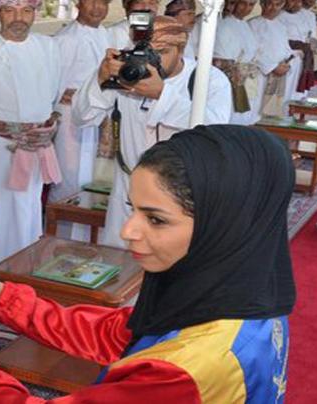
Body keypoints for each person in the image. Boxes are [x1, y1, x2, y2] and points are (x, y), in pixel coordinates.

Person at [0, 124, 296, 403]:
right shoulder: (239, 297)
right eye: (132, 209)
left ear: (222, 226)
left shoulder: (189, 369)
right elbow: (115, 333)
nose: (127, 231)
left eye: (155, 219)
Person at [72, 16, 231, 248]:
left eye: (162, 52)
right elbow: (81, 117)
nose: (152, 61)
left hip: (181, 196)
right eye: (146, 51)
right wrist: (100, 79)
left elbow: (216, 132)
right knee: (122, 269)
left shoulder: (209, 79)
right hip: (127, 192)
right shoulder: (128, 72)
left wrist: (161, 94)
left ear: (182, 49)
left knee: (173, 273)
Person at [0, 0, 65, 267]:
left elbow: (54, 95)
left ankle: (23, 275)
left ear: (35, 14)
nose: (19, 18)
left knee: (28, 212)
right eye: (10, 10)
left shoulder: (49, 47)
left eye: (26, 10)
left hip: (36, 145)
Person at [49, 0, 111, 241]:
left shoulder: (108, 35)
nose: (97, 8)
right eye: (91, 1)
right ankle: (61, 242)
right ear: (78, 3)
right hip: (70, 120)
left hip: (101, 119)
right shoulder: (64, 39)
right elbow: (53, 85)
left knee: (95, 181)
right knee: (70, 179)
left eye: (103, 2)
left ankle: (89, 242)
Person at [249, 0, 302, 117]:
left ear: (282, 5)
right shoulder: (253, 24)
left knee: (275, 112)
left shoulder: (281, 26)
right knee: (256, 112)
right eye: (269, 4)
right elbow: (252, 52)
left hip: (280, 75)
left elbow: (285, 50)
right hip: (260, 75)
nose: (273, 8)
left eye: (278, 4)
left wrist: (291, 60)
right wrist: (272, 67)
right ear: (262, 4)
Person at [214, 0, 262, 125]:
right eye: (243, 3)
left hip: (248, 77)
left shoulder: (245, 25)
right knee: (230, 117)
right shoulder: (223, 24)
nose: (246, 8)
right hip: (230, 78)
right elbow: (220, 57)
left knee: (245, 118)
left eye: (251, 5)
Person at [276, 0, 317, 99]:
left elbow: (313, 37)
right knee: (284, 93)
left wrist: (310, 47)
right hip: (287, 58)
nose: (296, 4)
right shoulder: (278, 16)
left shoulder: (308, 15)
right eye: (293, 1)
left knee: (299, 95)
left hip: (304, 60)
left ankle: (294, 111)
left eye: (298, 1)